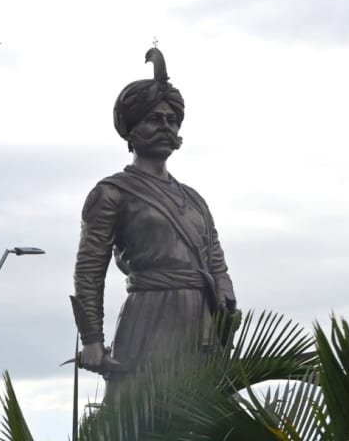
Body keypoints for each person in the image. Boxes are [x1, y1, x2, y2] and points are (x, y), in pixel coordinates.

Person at [72, 46, 237, 399]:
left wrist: (224, 296)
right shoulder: (111, 193)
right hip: (149, 314)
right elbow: (89, 270)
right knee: (140, 420)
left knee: (206, 427)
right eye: (153, 119)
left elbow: (216, 262)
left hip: (203, 322)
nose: (165, 126)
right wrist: (92, 340)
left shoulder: (194, 199)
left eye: (171, 120)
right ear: (130, 130)